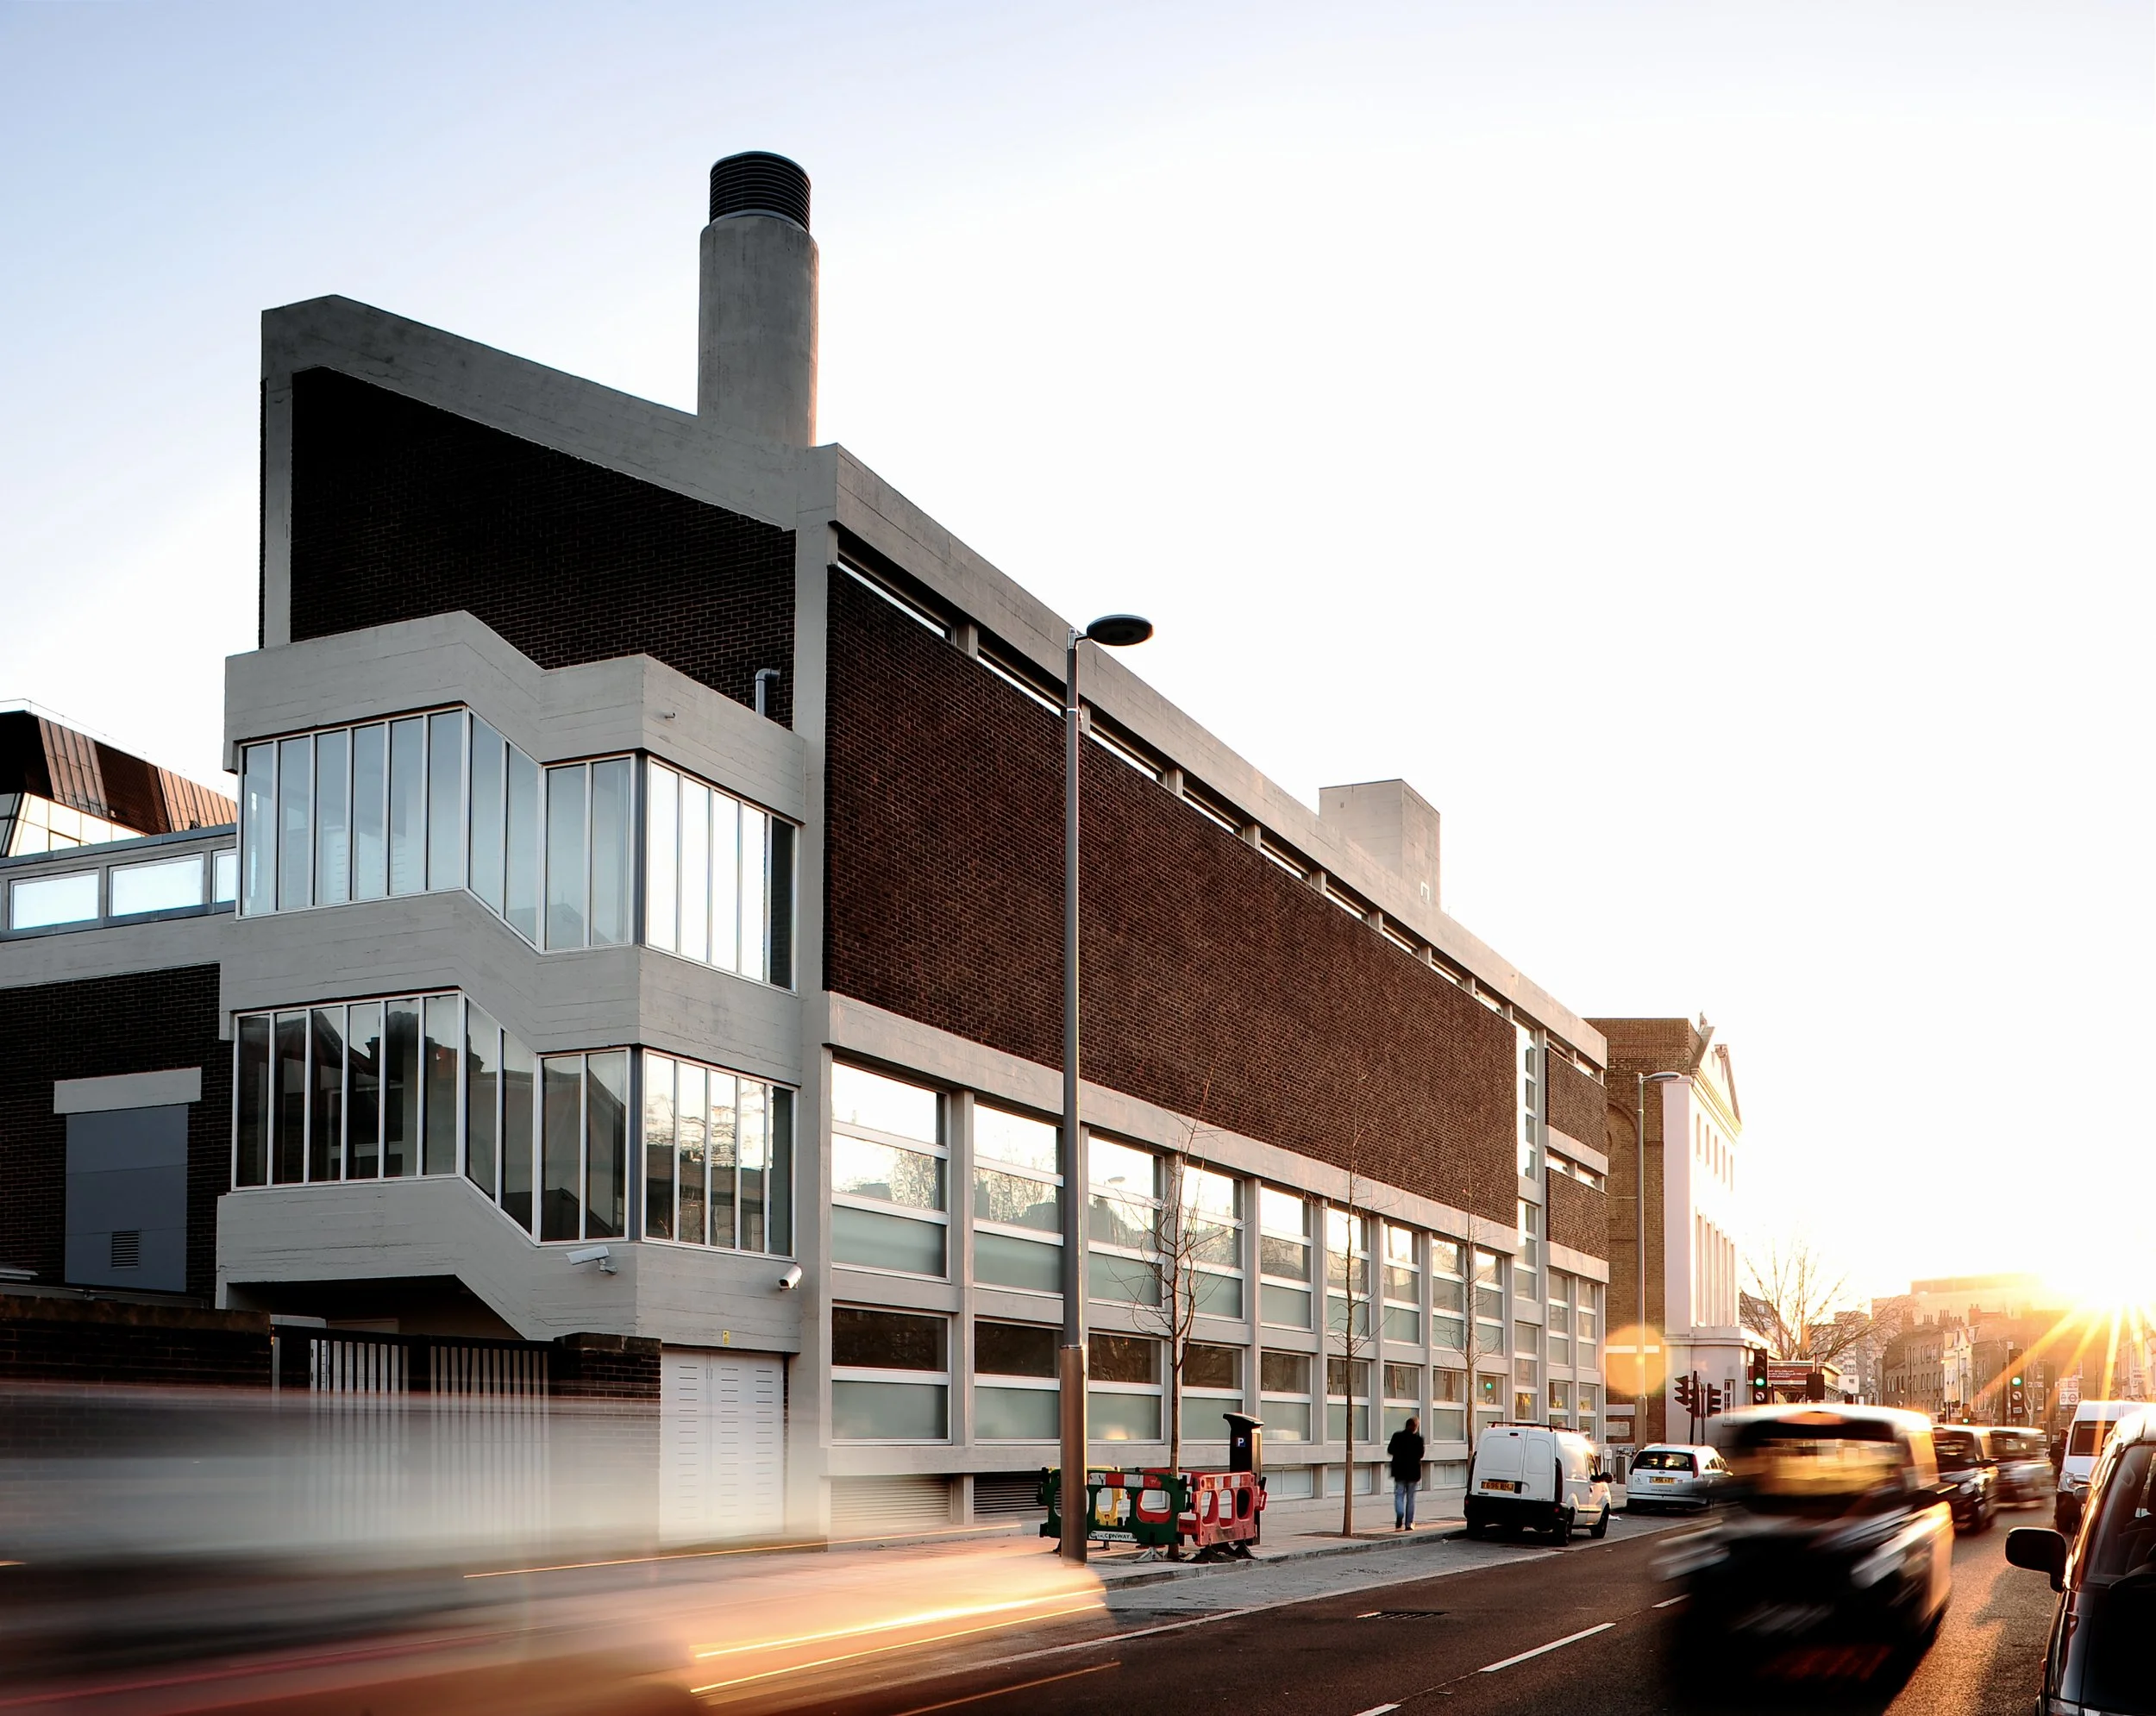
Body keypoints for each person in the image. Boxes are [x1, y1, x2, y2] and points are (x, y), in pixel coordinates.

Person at [1388, 1414, 1426, 1531]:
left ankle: (1400, 1515)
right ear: (1415, 1427)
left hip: (1399, 1471)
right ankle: (1409, 1523)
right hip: (1413, 1473)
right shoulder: (1418, 1439)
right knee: (1411, 1498)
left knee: (1399, 1495)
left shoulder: (1397, 1436)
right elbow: (1421, 1454)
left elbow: (1390, 1450)